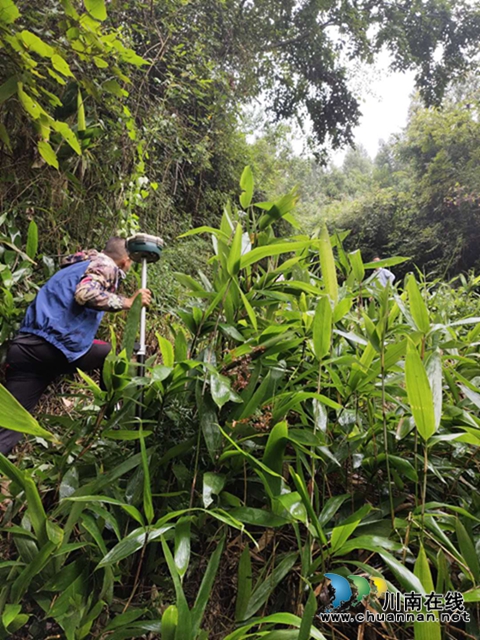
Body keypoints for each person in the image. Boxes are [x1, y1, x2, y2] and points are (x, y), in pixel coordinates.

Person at [0, 236, 151, 455]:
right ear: (127, 260)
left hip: (25, 349)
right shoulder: (105, 265)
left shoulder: (76, 267)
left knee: (9, 427)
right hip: (56, 346)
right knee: (109, 354)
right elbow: (85, 294)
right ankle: (112, 419)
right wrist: (127, 302)